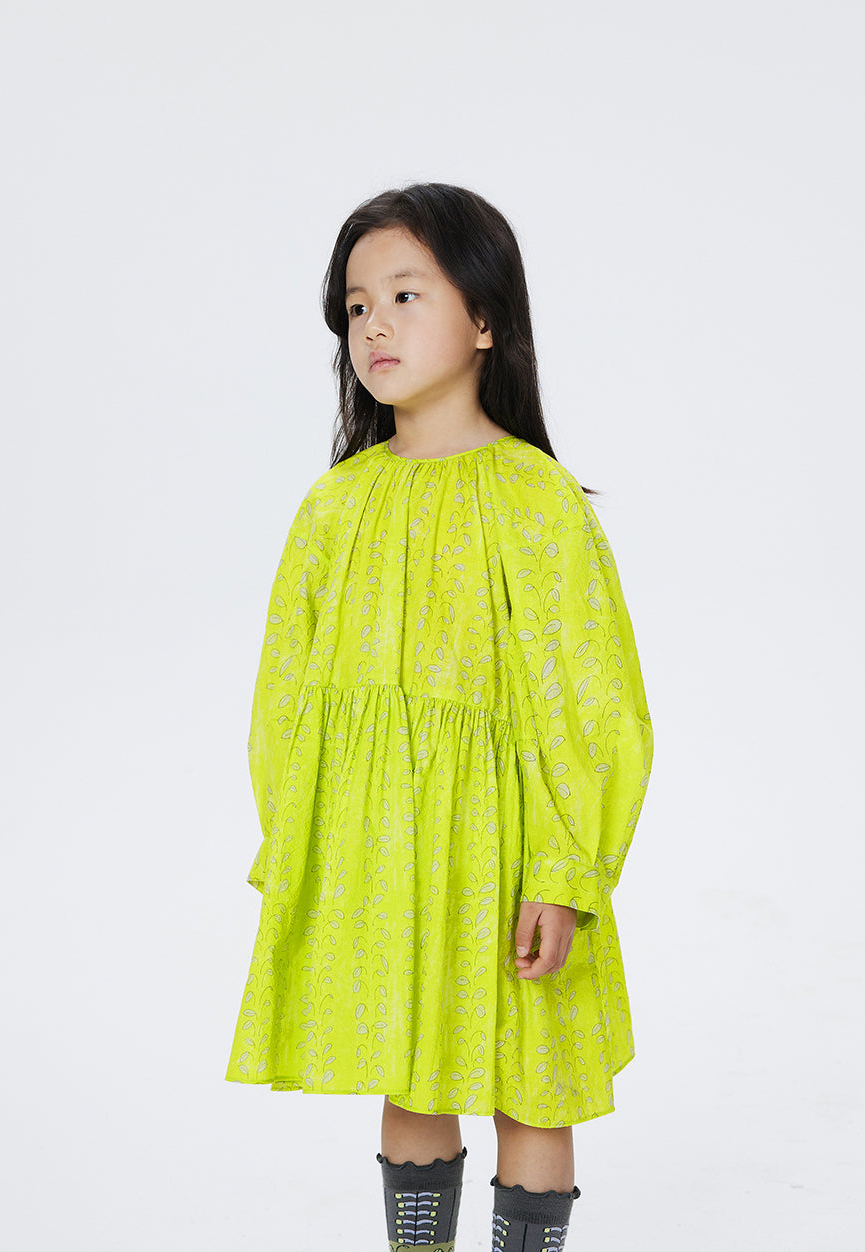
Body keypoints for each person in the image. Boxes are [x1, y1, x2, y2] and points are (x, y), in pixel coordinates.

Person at [224, 182, 655, 1252]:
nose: (374, 323)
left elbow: (591, 701)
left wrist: (567, 868)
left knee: (532, 1084)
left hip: (512, 856)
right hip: (381, 852)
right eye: (356, 306)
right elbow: (286, 693)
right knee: (409, 1071)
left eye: (405, 295)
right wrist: (299, 839)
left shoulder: (536, 500)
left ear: (485, 318)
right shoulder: (335, 506)